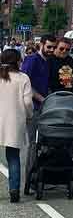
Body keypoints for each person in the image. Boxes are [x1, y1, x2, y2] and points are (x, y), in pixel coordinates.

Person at [0, 49, 34, 203]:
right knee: (13, 157)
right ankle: (14, 190)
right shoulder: (23, 78)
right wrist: (29, 115)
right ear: (18, 61)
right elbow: (27, 102)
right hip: (14, 121)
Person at [22, 35, 53, 110]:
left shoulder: (48, 60)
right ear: (41, 45)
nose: (52, 50)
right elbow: (24, 83)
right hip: (32, 106)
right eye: (49, 47)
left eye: (54, 47)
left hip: (43, 106)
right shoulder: (31, 60)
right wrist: (42, 99)